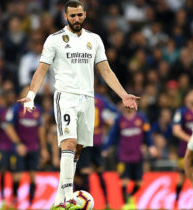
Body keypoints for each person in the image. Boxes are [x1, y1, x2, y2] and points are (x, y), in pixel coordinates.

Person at [17, 1, 139, 209]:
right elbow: (41, 70)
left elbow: (106, 71)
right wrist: (31, 95)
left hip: (87, 99)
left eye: (79, 15)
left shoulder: (94, 39)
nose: (76, 19)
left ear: (85, 15)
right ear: (65, 17)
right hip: (66, 96)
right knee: (69, 143)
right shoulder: (55, 40)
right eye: (72, 16)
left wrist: (123, 95)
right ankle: (67, 197)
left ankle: (58, 201)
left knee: (78, 149)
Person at [103, 108, 157, 209]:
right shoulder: (119, 120)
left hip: (137, 156)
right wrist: (106, 148)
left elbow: (147, 133)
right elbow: (112, 135)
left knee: (139, 183)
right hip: (123, 156)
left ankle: (129, 196)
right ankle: (125, 204)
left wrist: (151, 146)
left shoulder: (142, 118)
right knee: (124, 181)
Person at [4, 87, 49, 208]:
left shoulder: (37, 110)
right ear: (21, 95)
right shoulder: (15, 109)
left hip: (34, 147)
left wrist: (43, 149)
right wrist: (18, 144)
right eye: (25, 93)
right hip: (19, 148)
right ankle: (14, 200)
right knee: (17, 176)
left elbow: (41, 130)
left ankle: (30, 204)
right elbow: (8, 127)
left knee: (33, 176)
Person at [75, 92, 117, 208]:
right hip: (97, 140)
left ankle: (84, 204)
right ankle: (107, 202)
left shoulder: (78, 98)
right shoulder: (101, 100)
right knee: (99, 172)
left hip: (84, 141)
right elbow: (112, 116)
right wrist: (105, 126)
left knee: (84, 172)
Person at [172, 86, 193, 205]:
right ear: (188, 97)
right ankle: (176, 200)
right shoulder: (181, 112)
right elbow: (176, 130)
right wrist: (190, 139)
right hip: (184, 150)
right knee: (182, 176)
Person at [0, 91, 16, 208]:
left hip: (14, 147)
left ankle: (14, 197)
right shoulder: (0, 112)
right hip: (2, 147)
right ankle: (2, 196)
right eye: (8, 98)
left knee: (15, 173)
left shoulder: (17, 111)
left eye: (12, 98)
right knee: (2, 171)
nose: (10, 100)